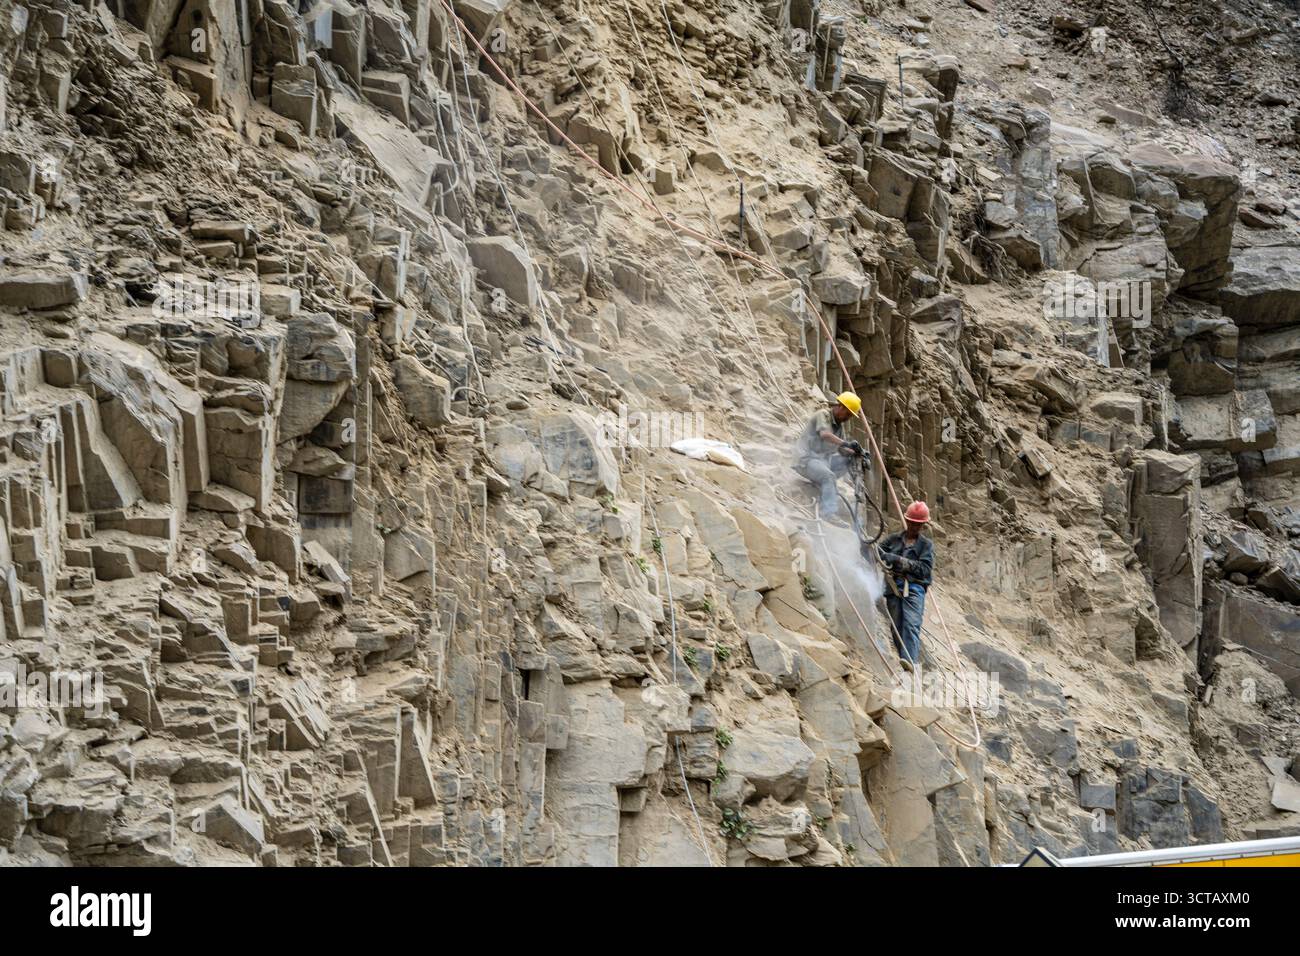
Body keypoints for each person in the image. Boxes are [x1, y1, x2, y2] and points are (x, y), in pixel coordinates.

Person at [878, 501, 934, 670]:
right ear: (907, 521)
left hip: (914, 587)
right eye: (911, 523)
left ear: (923, 525)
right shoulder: (894, 540)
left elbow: (925, 569)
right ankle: (905, 659)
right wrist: (883, 556)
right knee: (896, 627)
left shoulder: (926, 546)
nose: (913, 527)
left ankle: (909, 662)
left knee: (911, 624)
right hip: (893, 585)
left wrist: (900, 560)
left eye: (917, 525)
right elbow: (877, 550)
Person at [794, 392, 866, 518]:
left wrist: (857, 453)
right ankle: (828, 513)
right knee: (829, 476)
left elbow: (842, 450)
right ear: (841, 406)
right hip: (806, 460)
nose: (848, 418)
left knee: (848, 460)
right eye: (848, 414)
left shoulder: (839, 427)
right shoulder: (824, 414)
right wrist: (847, 443)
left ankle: (823, 482)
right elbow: (825, 435)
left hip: (821, 462)